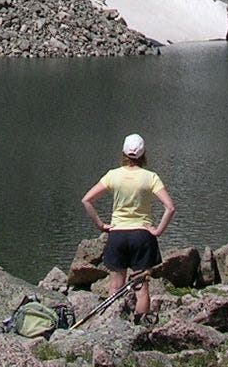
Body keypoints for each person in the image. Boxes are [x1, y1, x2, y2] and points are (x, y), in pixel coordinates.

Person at [81, 133, 175, 323]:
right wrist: (158, 231)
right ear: (143, 154)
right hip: (142, 235)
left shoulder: (113, 175)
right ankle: (141, 326)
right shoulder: (151, 177)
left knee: (115, 286)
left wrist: (101, 225)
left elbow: (87, 200)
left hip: (117, 235)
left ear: (123, 152)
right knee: (141, 287)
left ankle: (111, 325)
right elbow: (170, 207)